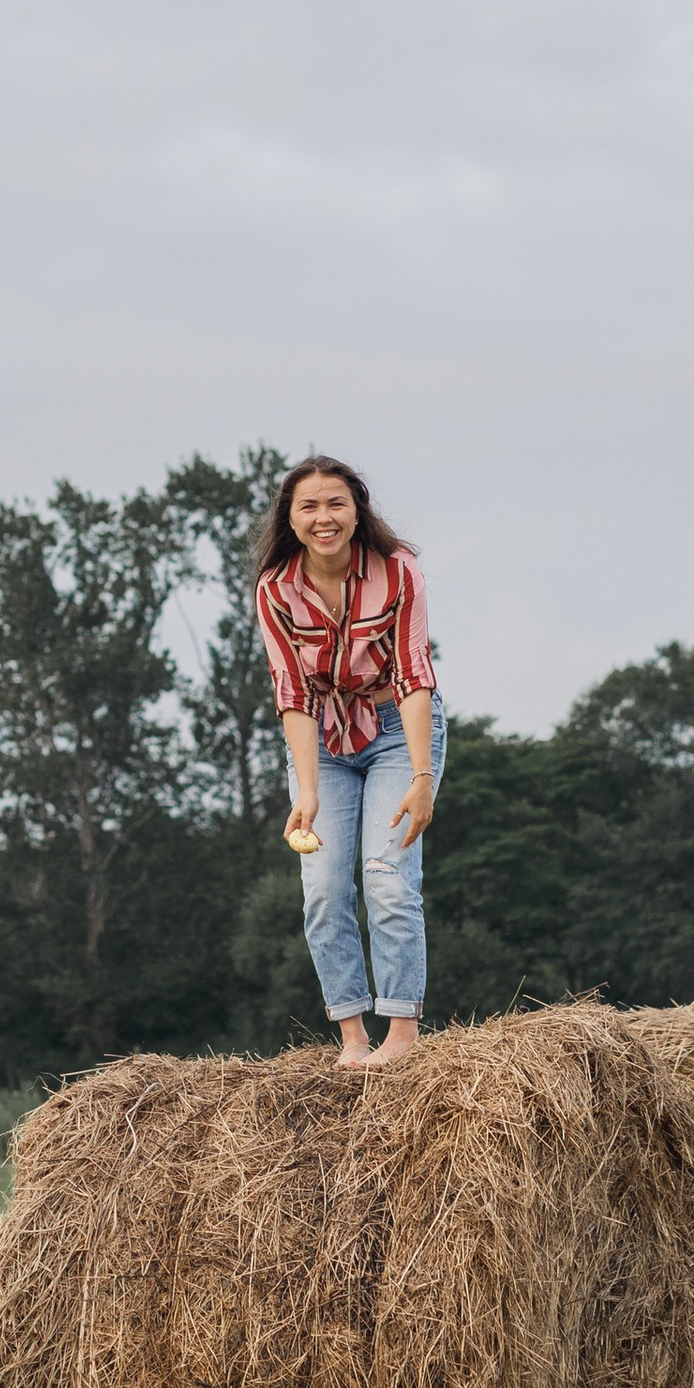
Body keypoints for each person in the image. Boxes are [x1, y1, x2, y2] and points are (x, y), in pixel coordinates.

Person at [252, 455, 441, 1066]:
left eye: (336, 503)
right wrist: (306, 791)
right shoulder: (275, 589)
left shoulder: (398, 570)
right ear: (290, 519)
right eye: (308, 506)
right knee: (325, 890)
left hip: (397, 731)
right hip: (323, 743)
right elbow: (293, 693)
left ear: (358, 510)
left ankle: (402, 1036)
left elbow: (414, 675)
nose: (324, 517)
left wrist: (422, 776)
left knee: (387, 879)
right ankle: (354, 1040)